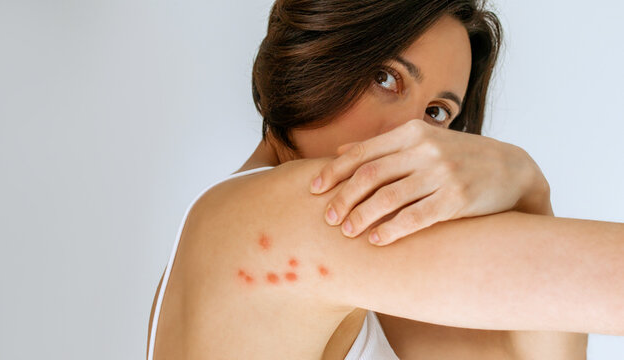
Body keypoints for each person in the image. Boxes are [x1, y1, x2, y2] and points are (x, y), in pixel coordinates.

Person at [147, 0, 623, 359]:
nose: (416, 137)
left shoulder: (351, 256)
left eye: (437, 113)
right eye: (386, 78)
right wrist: (524, 178)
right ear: (317, 47)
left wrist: (531, 189)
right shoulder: (296, 218)